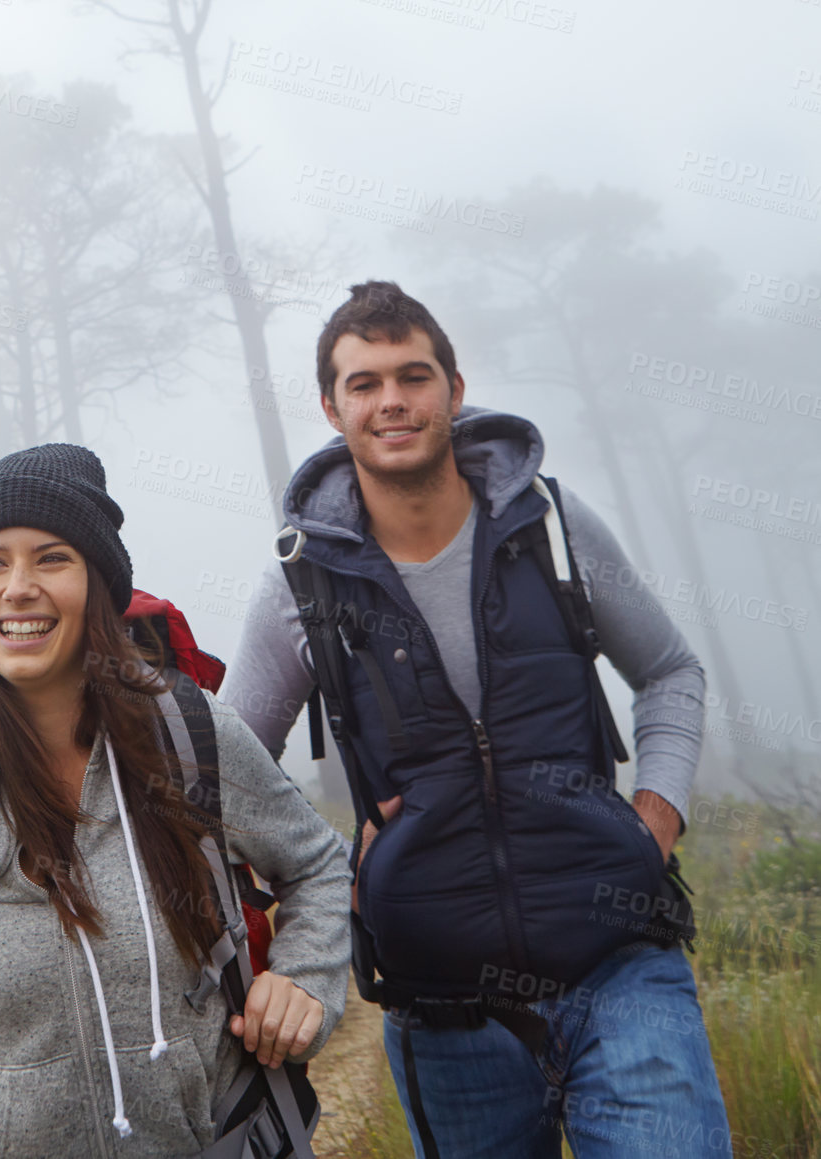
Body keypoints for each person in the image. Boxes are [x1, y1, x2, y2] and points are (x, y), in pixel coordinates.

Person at [219, 281, 730, 1158]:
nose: (393, 401)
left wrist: (656, 818)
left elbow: (672, 672)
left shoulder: (553, 529)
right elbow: (225, 777)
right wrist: (328, 884)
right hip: (443, 1011)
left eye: (413, 376)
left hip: (621, 964)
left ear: (455, 389)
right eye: (365, 382)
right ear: (331, 408)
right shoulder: (302, 588)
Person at [0, 443, 352, 1157]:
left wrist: (305, 977)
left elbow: (318, 864)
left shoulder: (190, 733)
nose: (18, 587)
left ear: (100, 586)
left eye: (52, 557)